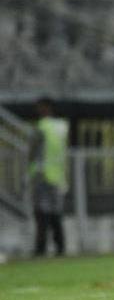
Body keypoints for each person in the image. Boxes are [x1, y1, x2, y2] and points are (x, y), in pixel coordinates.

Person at [28, 98, 68, 257]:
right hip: (58, 175)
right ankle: (60, 247)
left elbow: (32, 151)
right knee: (56, 213)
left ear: (45, 108)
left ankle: (41, 248)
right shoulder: (61, 126)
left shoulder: (42, 127)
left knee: (41, 212)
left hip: (42, 174)